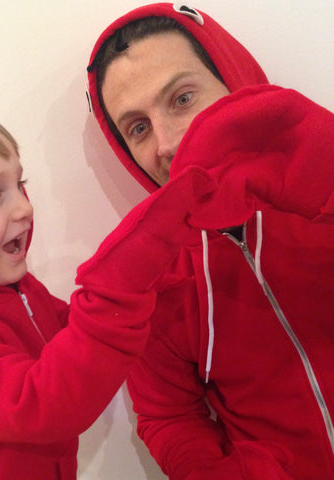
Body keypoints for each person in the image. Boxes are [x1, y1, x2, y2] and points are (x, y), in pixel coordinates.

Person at [0, 89, 219, 480]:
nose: (24, 206)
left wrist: (153, 288)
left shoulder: (13, 291)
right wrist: (120, 288)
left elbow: (72, 330)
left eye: (20, 184)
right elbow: (44, 404)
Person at [86, 3, 334, 480]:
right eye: (138, 127)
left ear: (234, 80)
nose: (167, 143)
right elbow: (167, 416)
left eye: (182, 99)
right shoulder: (149, 275)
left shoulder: (323, 174)